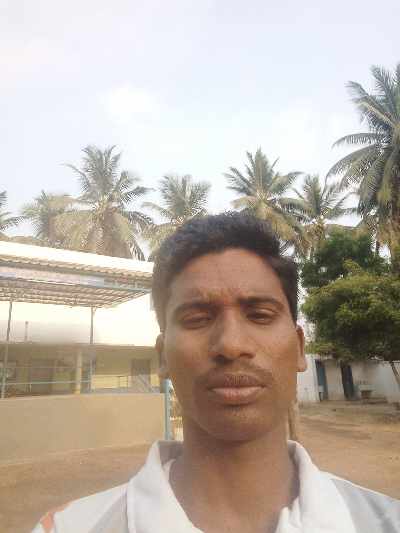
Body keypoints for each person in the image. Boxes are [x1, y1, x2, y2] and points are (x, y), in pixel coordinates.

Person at [33, 212, 400, 532]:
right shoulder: (70, 528)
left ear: (300, 348)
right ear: (162, 357)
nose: (231, 345)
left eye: (260, 315)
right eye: (197, 318)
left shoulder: (385, 520)